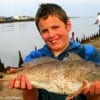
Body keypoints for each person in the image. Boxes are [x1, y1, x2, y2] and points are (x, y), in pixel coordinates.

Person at [9, 3, 100, 100]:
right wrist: (28, 89)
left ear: (68, 25)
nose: (51, 34)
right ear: (40, 33)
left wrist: (94, 94)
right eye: (45, 31)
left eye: (55, 27)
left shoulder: (89, 53)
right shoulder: (34, 57)